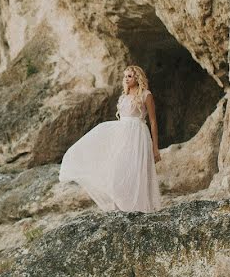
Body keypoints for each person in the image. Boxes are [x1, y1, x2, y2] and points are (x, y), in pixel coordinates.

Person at [59, 65, 162, 213]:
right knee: (117, 172)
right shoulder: (123, 97)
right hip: (123, 136)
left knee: (136, 173)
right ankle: (120, 208)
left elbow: (153, 121)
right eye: (125, 76)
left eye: (130, 76)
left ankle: (140, 209)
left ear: (137, 78)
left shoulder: (146, 95)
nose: (126, 79)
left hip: (139, 136)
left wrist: (155, 147)